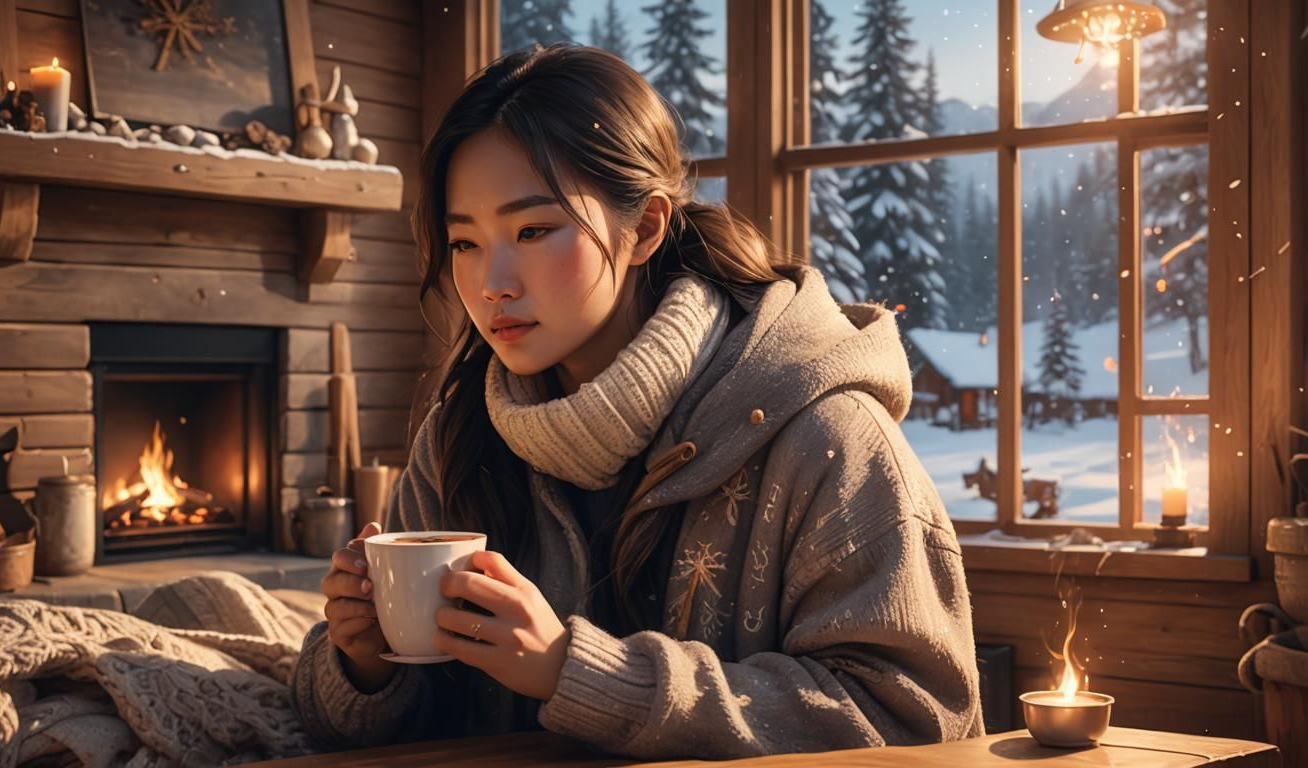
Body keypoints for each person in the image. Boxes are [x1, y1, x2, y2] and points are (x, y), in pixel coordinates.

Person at [291, 43, 983, 760]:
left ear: (646, 227)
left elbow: (914, 720)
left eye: (533, 230)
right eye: (465, 243)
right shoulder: (463, 433)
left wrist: (579, 673)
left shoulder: (825, 433)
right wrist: (364, 664)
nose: (491, 282)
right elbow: (369, 727)